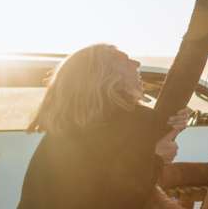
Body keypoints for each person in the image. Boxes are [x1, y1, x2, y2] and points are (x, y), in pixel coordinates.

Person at [18, 44, 191, 209]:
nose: (136, 63)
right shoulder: (129, 120)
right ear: (105, 75)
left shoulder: (67, 129)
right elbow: (115, 199)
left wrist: (171, 123)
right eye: (125, 59)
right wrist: (156, 157)